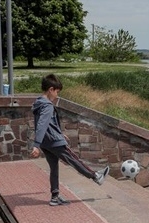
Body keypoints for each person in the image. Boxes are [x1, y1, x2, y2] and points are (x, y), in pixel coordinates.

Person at [30, 74, 109, 206]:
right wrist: (35, 145)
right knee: (73, 159)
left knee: (54, 168)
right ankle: (95, 176)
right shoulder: (48, 106)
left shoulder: (38, 102)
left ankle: (55, 197)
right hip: (53, 142)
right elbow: (42, 124)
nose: (57, 95)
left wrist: (59, 133)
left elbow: (48, 123)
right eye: (57, 92)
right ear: (51, 89)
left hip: (46, 142)